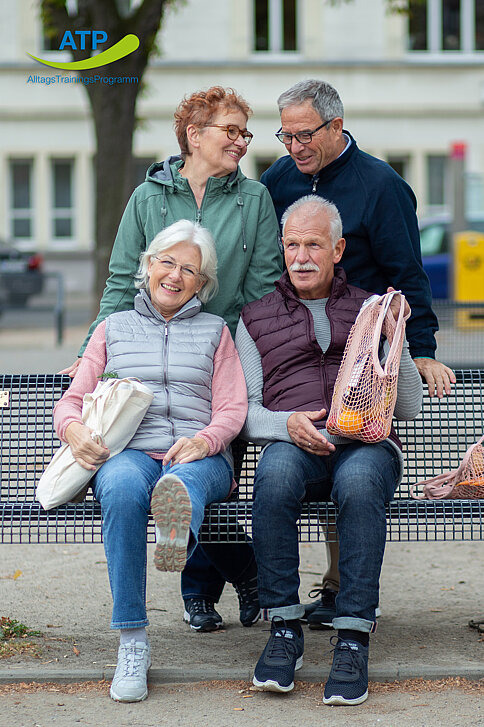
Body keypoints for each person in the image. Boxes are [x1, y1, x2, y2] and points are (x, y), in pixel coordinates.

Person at [61, 86, 282, 633]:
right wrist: (98, 345)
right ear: (193, 134)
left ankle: (221, 581)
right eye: (230, 131)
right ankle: (207, 591)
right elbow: (121, 284)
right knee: (175, 474)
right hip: (157, 347)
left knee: (208, 471)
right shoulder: (149, 198)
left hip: (224, 352)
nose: (240, 141)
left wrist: (232, 355)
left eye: (243, 132)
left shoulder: (252, 199)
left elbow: (262, 290)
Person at [260, 78, 454, 627]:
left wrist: (420, 349)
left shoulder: (381, 185)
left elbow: (408, 275)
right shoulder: (279, 178)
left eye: (304, 135)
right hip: (299, 347)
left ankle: (341, 591)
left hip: (365, 351)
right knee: (295, 465)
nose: (294, 147)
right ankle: (296, 590)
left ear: (336, 126)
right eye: (285, 135)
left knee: (355, 469)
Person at [235, 196, 423, 704]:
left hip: (365, 444)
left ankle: (354, 637)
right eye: (292, 244)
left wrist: (396, 335)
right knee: (272, 476)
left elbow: (406, 406)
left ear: (338, 249)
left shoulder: (369, 306)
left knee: (359, 482)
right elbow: (244, 410)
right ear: (281, 248)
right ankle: (283, 629)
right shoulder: (254, 318)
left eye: (313, 245)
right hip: (292, 442)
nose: (301, 257)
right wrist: (286, 424)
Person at [54, 221, 248, 703]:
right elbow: (72, 399)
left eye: (190, 270)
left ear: (202, 285)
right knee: (118, 487)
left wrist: (205, 441)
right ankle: (132, 642)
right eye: (168, 262)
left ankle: (174, 518)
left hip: (198, 455)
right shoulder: (112, 328)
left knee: (184, 481)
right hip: (131, 454)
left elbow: (233, 407)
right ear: (147, 266)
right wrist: (73, 431)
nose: (176, 276)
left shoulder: (216, 331)